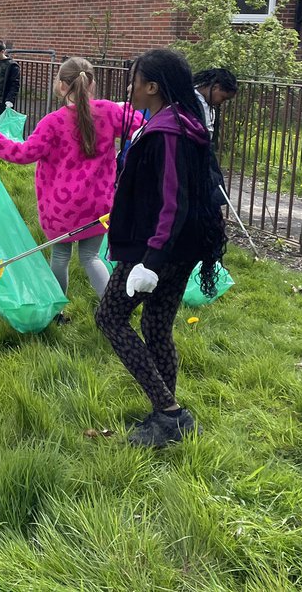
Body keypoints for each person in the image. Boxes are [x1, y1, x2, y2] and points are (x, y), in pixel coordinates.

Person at [94, 48, 226, 448]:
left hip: (158, 248)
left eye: (135, 81)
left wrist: (151, 260)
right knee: (155, 326)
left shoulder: (169, 132)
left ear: (153, 87)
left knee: (110, 317)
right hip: (178, 245)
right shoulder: (177, 121)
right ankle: (165, 417)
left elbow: (173, 201)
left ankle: (169, 413)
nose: (130, 88)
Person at [0, 56, 144, 300]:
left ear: (61, 85)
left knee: (60, 257)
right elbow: (141, 127)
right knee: (91, 257)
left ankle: (57, 308)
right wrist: (124, 109)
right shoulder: (109, 112)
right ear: (92, 84)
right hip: (99, 204)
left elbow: (25, 153)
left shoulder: (52, 122)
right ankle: (113, 309)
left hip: (60, 207)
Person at [193, 67, 238, 208]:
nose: (221, 102)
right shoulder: (191, 101)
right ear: (215, 87)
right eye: (223, 97)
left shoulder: (207, 104)